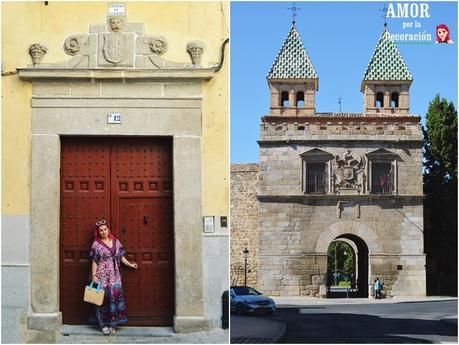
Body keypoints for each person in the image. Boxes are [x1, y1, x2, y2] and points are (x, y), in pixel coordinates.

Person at [88, 219, 138, 335]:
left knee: (113, 299)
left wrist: (129, 264)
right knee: (101, 300)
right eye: (101, 230)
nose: (104, 232)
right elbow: (94, 261)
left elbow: (120, 257)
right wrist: (94, 276)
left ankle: (112, 324)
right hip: (101, 275)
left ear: (108, 229)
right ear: (98, 232)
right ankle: (103, 325)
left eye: (105, 229)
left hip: (114, 276)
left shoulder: (115, 241)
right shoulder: (96, 244)